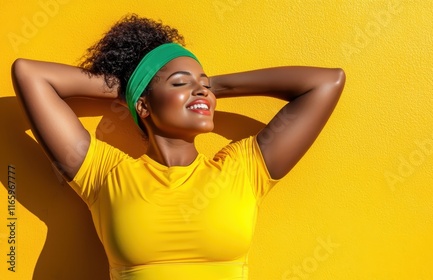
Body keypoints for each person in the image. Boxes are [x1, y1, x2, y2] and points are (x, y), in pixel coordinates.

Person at [12, 14, 345, 280]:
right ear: (143, 106)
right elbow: (30, 75)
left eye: (206, 85)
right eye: (181, 83)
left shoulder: (244, 169)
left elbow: (325, 83)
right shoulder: (104, 174)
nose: (202, 92)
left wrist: (213, 85)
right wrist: (131, 85)